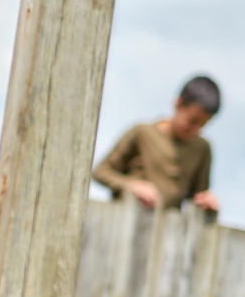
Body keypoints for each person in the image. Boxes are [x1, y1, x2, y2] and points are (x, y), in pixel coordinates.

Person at [92, 75, 221, 211]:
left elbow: (197, 195)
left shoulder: (202, 149)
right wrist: (132, 185)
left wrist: (206, 200)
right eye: (192, 121)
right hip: (127, 220)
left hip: (168, 228)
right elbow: (101, 171)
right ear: (178, 104)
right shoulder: (142, 133)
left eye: (203, 125)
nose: (196, 130)